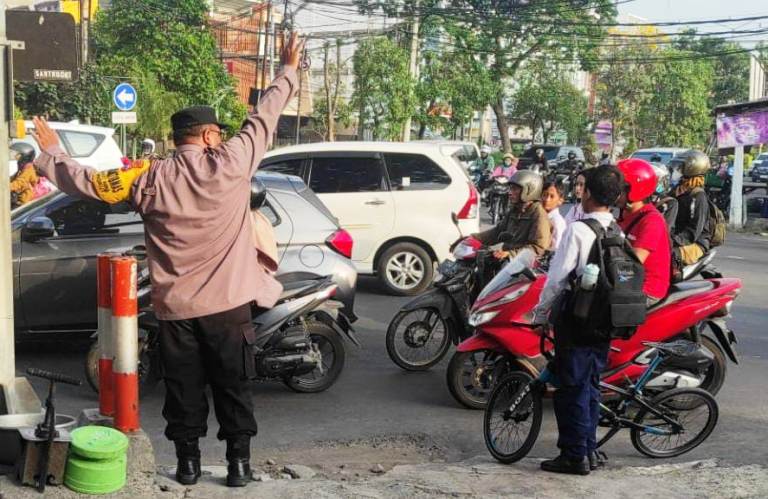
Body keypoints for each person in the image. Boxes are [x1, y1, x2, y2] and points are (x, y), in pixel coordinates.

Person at [31, 33, 305, 488]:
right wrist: (287, 69)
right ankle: (238, 466)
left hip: (175, 310)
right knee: (233, 386)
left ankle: (188, 466)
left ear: (176, 139)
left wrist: (50, 153)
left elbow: (92, 183)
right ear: (211, 134)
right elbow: (265, 118)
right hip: (229, 307)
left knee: (183, 389)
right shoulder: (232, 163)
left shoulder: (147, 178)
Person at [533, 164, 625, 476]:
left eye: (582, 187)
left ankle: (574, 456)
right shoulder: (617, 230)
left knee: (571, 387)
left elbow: (556, 279)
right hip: (606, 321)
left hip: (577, 320)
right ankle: (589, 449)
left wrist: (540, 314)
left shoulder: (579, 230)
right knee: (591, 384)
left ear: (587, 192)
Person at [617, 159, 671, 306]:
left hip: (647, 289)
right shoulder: (623, 216)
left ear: (634, 190)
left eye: (619, 189)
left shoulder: (652, 220)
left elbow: (633, 262)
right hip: (628, 282)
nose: (614, 193)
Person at [473, 170, 551, 260]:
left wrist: (511, 253)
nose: (510, 192)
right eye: (510, 188)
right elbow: (497, 231)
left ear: (529, 190)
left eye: (515, 189)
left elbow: (538, 248)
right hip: (507, 264)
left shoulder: (538, 215)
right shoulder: (515, 211)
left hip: (522, 267)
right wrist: (474, 238)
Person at [671, 150, 712, 266]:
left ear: (691, 169)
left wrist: (674, 241)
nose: (678, 170)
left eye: (681, 167)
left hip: (695, 244)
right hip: (675, 238)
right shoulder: (678, 189)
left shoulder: (698, 196)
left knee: (667, 255)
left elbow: (693, 231)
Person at [9, 142, 46, 208]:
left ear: (23, 156)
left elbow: (19, 183)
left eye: (16, 154)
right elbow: (15, 178)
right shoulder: (24, 167)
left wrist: (5, 187)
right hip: (19, 199)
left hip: (23, 202)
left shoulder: (29, 170)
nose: (12, 155)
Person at [541, 181, 566, 251]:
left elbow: (556, 249)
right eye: (544, 195)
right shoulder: (540, 217)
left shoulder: (557, 221)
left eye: (552, 196)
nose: (547, 199)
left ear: (560, 201)